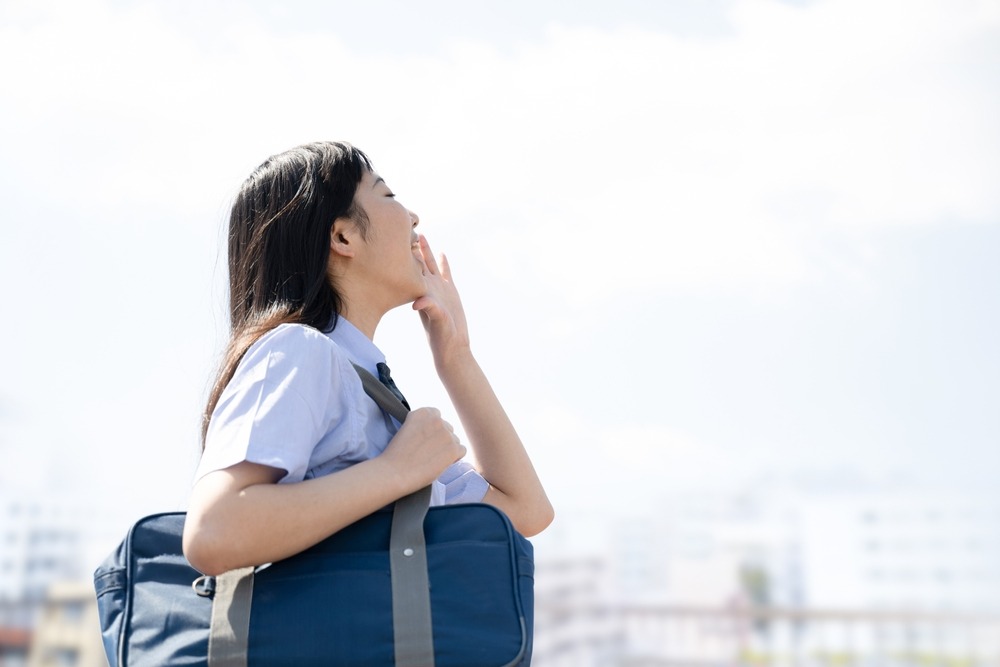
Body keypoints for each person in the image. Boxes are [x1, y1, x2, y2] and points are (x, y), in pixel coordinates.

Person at [182, 141, 553, 576]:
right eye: (388, 196)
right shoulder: (300, 350)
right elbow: (213, 531)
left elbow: (526, 512)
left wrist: (456, 356)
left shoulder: (369, 394)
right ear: (342, 236)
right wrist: (395, 472)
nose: (413, 218)